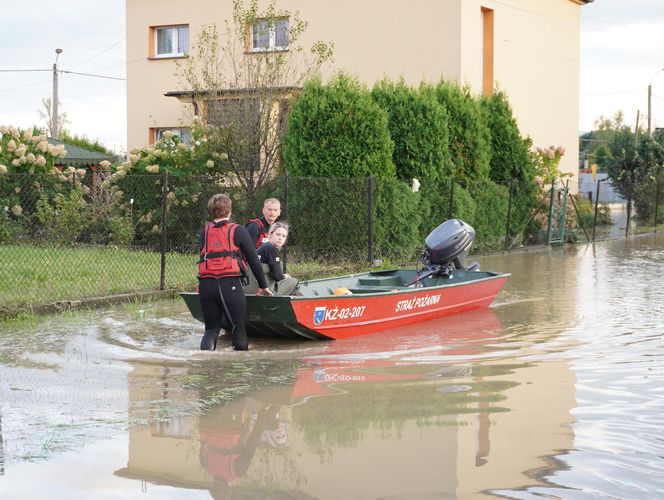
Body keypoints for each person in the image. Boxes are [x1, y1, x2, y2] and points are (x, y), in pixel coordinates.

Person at [198, 193, 272, 351]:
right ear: (229, 211)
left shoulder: (204, 231)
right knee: (238, 328)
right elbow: (253, 260)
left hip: (206, 284)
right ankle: (239, 370)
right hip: (229, 283)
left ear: (211, 211)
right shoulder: (238, 230)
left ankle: (205, 366)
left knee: (211, 330)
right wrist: (263, 285)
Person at [245, 222, 299, 296]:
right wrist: (285, 276)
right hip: (264, 291)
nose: (280, 238)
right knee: (295, 282)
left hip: (248, 291)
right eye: (278, 234)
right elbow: (278, 277)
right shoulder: (270, 248)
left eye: (283, 236)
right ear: (270, 235)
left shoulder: (263, 248)